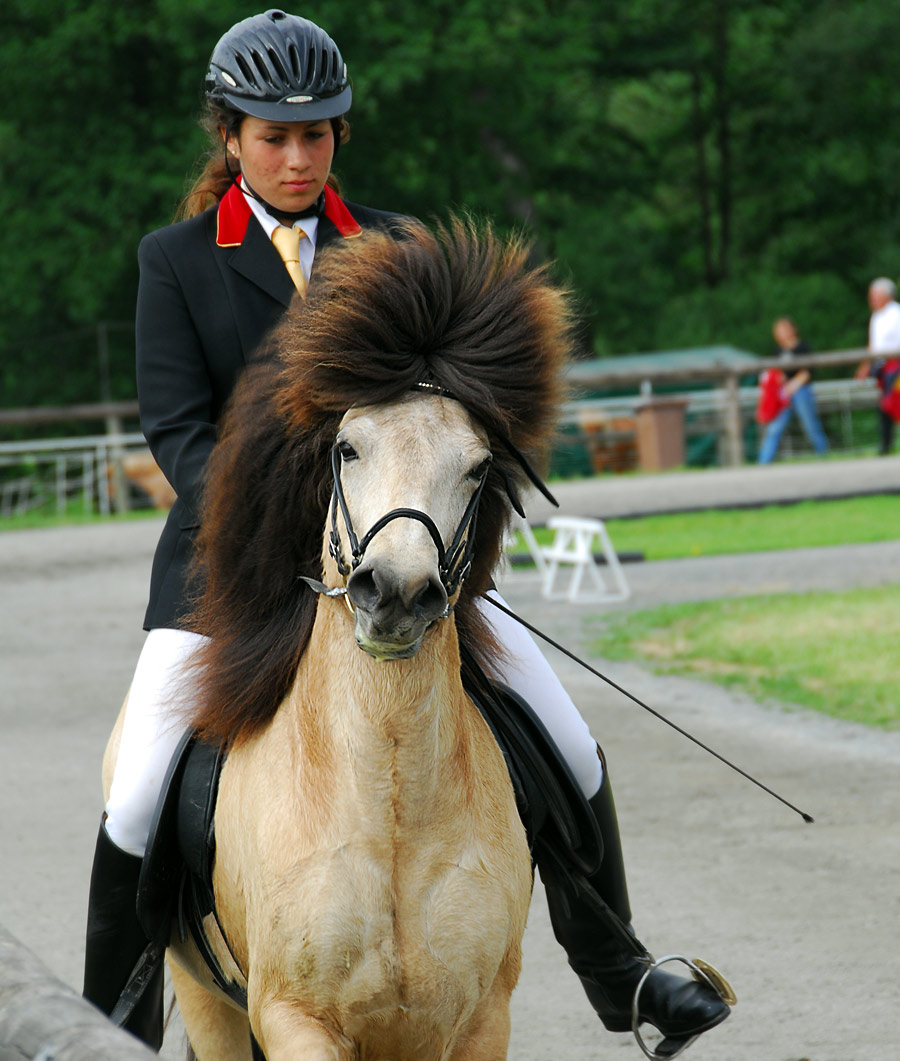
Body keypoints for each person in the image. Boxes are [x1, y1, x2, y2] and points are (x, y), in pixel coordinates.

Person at [82, 9, 730, 1053]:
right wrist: (292, 539)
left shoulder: (396, 247)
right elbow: (179, 431)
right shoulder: (179, 260)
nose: (296, 156)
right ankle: (105, 1020)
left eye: (317, 134)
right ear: (230, 136)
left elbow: (463, 409)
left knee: (563, 727)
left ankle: (624, 971)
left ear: (340, 133)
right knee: (146, 774)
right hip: (228, 576)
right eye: (272, 135)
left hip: (408, 558)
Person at [757, 317, 828, 463]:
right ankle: (763, 462)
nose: (781, 333)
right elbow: (776, 372)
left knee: (810, 426)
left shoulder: (802, 347)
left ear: (792, 329)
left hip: (800, 390)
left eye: (784, 329)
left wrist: (793, 385)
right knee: (774, 428)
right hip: (783, 394)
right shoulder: (778, 351)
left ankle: (824, 456)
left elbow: (808, 371)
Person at [855, 277, 900, 455]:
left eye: (874, 295)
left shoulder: (896, 313)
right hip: (883, 367)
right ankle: (885, 445)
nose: (871, 299)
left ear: (886, 295)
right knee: (885, 405)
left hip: (896, 366)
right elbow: (873, 346)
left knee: (894, 402)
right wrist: (865, 366)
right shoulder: (876, 316)